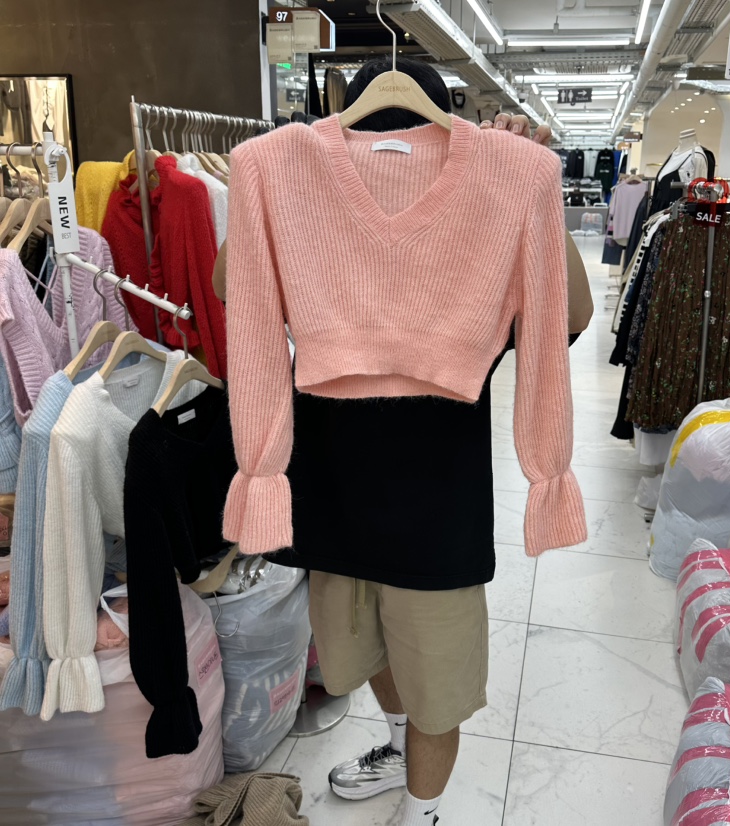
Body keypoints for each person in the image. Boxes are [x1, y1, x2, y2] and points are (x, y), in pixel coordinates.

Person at [216, 58, 592, 826]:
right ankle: (395, 747)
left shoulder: (505, 186)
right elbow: (238, 290)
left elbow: (568, 318)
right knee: (361, 652)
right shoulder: (283, 173)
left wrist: (534, 194)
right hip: (330, 484)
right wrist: (268, 192)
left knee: (437, 686)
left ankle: (424, 814)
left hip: (439, 497)